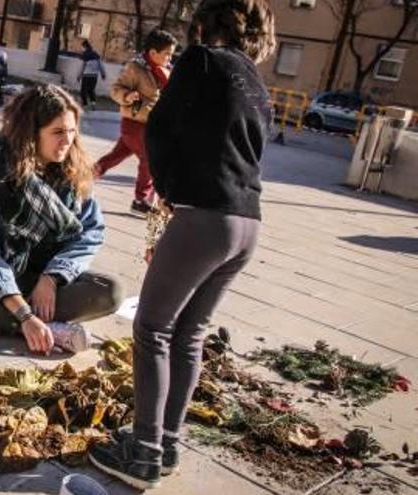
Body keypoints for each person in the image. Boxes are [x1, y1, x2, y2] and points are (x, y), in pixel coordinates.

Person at [88, 0, 276, 490]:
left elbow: (163, 127)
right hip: (247, 221)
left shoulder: (202, 60)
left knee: (152, 327)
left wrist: (167, 191)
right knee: (189, 333)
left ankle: (144, 452)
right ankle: (167, 441)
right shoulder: (255, 82)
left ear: (204, 27)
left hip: (202, 216)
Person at [0, 84, 125, 355]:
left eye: (72, 131)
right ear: (31, 134)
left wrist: (52, 278)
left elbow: (90, 232)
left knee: (111, 292)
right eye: (58, 132)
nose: (68, 141)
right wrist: (25, 314)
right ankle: (42, 328)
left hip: (42, 280)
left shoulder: (74, 169)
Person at [94, 29, 177, 217]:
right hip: (135, 124)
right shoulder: (135, 68)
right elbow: (116, 89)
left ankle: (83, 177)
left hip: (152, 126)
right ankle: (140, 201)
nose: (169, 57)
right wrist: (127, 95)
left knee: (116, 156)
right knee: (149, 160)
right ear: (153, 53)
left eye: (171, 54)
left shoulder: (167, 70)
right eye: (167, 53)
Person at [78, 40, 106, 110]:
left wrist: (79, 75)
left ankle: (85, 105)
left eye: (82, 47)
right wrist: (103, 74)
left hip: (86, 75)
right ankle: (93, 103)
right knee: (91, 90)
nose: (82, 48)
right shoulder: (96, 54)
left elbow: (83, 66)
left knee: (83, 91)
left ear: (85, 46)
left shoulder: (85, 54)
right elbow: (100, 65)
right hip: (94, 76)